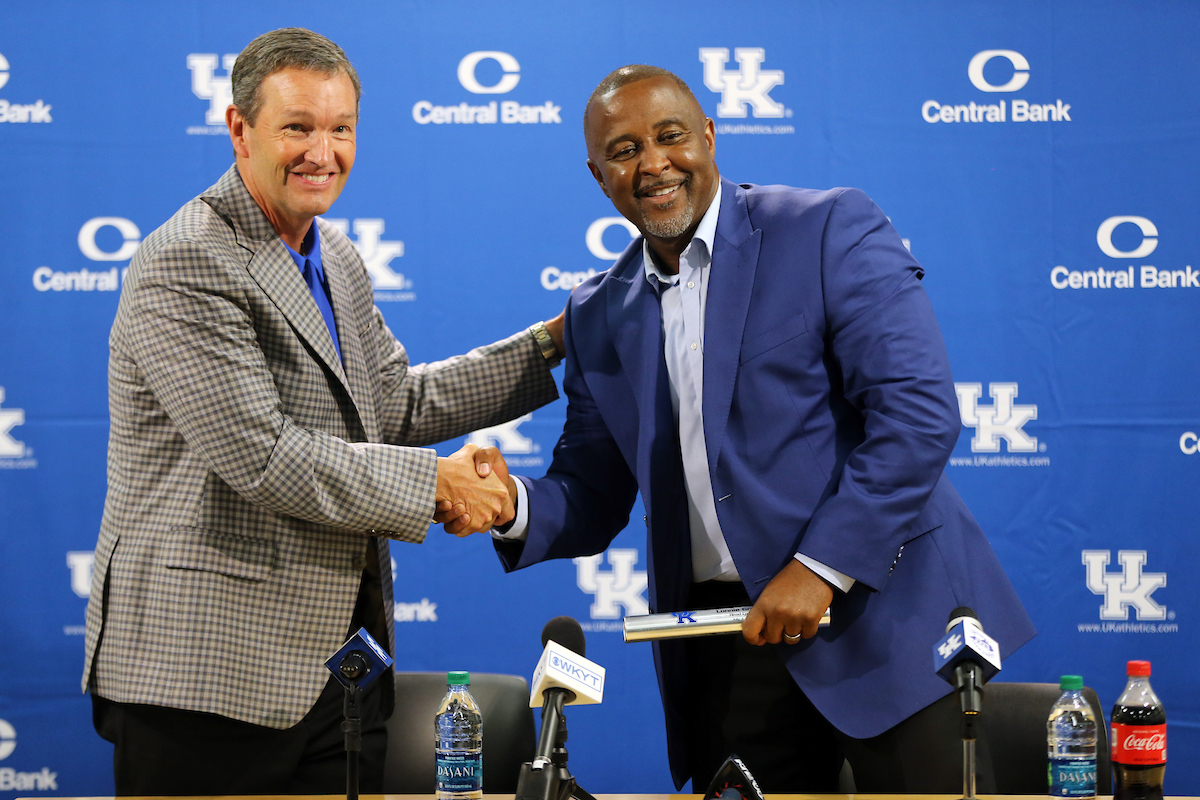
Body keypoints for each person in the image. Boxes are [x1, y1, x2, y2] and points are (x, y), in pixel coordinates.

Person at [468, 65, 1037, 792]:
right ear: (597, 175)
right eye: (624, 150)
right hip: (731, 641)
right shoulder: (597, 313)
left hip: (883, 617)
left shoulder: (826, 227)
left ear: (709, 136)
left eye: (670, 136)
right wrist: (509, 503)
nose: (652, 164)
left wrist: (821, 566)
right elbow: (591, 487)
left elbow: (917, 414)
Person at [81, 27, 564, 795]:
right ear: (240, 130)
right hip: (206, 677)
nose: (323, 152)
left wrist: (552, 342)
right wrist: (437, 485)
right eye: (297, 127)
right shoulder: (188, 258)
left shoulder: (333, 256)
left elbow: (397, 403)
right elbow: (266, 458)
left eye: (341, 129)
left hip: (339, 668)